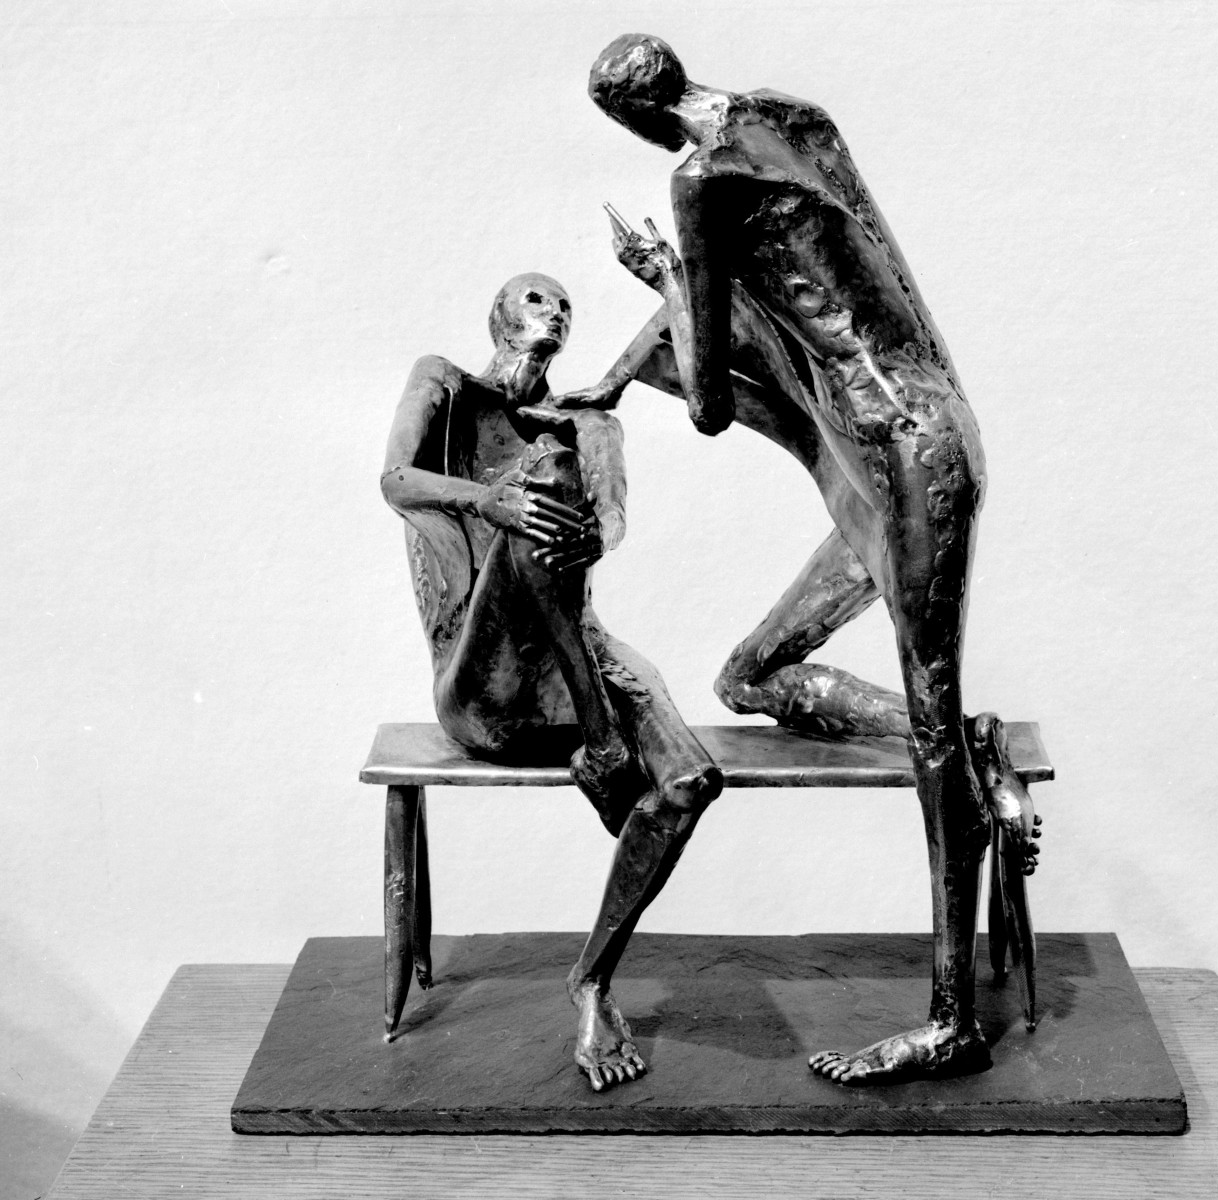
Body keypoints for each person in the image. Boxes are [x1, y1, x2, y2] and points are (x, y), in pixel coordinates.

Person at [559, 34, 1040, 1083]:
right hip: (918, 431)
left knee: (928, 732)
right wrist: (627, 367)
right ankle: (977, 747)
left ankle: (951, 1022)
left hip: (897, 454)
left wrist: (663, 275)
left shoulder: (699, 181)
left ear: (631, 119)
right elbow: (874, 278)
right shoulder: (790, 115)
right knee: (752, 677)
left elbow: (706, 402)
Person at [382, 273, 722, 1089]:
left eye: (565, 305)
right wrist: (489, 502)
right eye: (538, 299)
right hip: (483, 682)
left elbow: (610, 519)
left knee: (690, 782)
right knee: (544, 475)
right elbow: (396, 479)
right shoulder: (444, 382)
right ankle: (603, 742)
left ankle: (592, 982)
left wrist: (598, 532)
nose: (555, 312)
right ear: (497, 315)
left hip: (574, 668)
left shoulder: (587, 421)